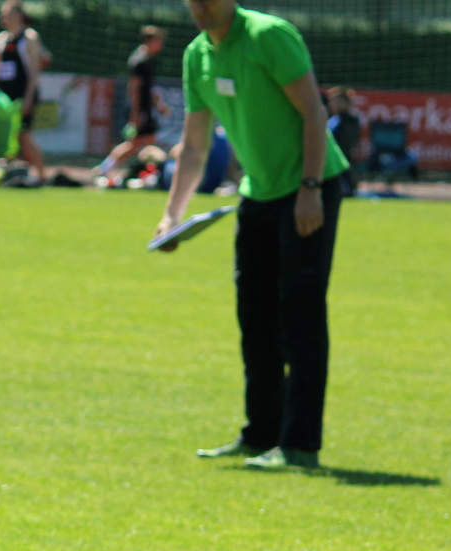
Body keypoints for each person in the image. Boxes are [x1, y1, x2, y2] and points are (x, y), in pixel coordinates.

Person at [155, 0, 350, 471]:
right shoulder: (196, 55)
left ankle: (300, 444)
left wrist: (308, 189)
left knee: (299, 317)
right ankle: (260, 433)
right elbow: (196, 144)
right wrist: (171, 216)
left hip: (308, 187)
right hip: (256, 195)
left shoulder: (269, 36)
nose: (200, 6)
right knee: (255, 317)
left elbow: (313, 113)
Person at [94, 26, 167, 182]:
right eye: (158, 41)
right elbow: (134, 87)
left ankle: (141, 173)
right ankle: (109, 169)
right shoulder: (139, 60)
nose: (161, 45)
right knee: (138, 144)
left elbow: (148, 88)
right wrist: (136, 112)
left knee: (143, 143)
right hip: (140, 109)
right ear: (150, 40)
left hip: (144, 108)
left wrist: (158, 105)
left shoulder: (147, 59)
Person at [0, 0, 46, 183]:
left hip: (22, 94)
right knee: (8, 136)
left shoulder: (29, 37)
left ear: (18, 16)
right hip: (4, 96)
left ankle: (41, 176)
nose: (3, 17)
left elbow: (33, 73)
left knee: (24, 135)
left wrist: (28, 98)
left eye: (7, 13)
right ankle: (12, 175)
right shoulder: (1, 39)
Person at [326, 87, 359, 196]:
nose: (332, 104)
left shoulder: (346, 122)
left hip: (337, 164)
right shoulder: (335, 120)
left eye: (335, 101)